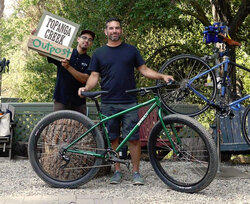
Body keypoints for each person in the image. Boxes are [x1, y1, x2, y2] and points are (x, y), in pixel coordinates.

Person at [78, 18, 174, 185]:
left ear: (121, 31)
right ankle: (117, 171)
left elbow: (144, 70)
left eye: (117, 28)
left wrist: (162, 76)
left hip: (129, 101)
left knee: (133, 138)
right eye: (111, 28)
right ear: (106, 31)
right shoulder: (99, 53)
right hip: (108, 101)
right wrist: (86, 88)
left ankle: (136, 172)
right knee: (113, 138)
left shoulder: (131, 50)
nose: (114, 31)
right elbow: (94, 76)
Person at [34, 29, 95, 114]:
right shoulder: (64, 52)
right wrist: (36, 37)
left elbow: (84, 79)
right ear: (78, 39)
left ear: (91, 43)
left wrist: (68, 67)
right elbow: (43, 52)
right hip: (61, 100)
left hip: (79, 103)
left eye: (90, 39)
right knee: (59, 126)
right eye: (84, 38)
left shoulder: (90, 61)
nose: (86, 41)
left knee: (80, 127)